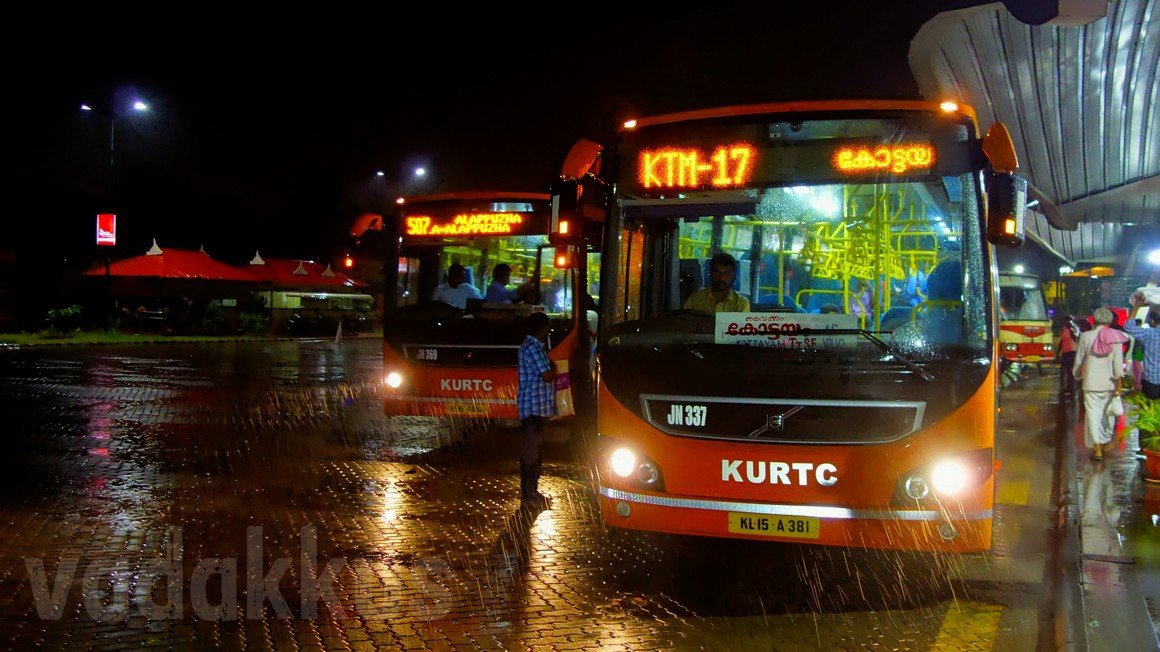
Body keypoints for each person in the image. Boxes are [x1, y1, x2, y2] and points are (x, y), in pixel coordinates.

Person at [1073, 307, 1126, 460]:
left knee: (1092, 415)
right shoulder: (1115, 337)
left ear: (1094, 320)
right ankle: (1103, 443)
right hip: (1108, 383)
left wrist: (1076, 374)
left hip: (1090, 383)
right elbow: (1118, 363)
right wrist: (1119, 384)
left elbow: (1079, 360)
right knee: (1107, 416)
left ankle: (1097, 448)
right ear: (1110, 321)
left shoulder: (1085, 336)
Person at [517, 311, 555, 506]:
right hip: (533, 408)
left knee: (534, 451)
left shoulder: (532, 346)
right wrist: (556, 369)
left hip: (535, 407)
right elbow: (546, 375)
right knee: (531, 453)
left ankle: (532, 492)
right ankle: (529, 495)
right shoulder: (533, 348)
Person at [683, 252, 750, 313]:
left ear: (733, 275)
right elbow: (685, 323)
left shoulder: (741, 304)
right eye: (717, 273)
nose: (721, 278)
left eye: (726, 273)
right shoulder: (695, 299)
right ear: (710, 272)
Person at [1124, 294, 1160, 400]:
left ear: (1152, 321)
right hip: (1151, 381)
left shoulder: (1149, 333)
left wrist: (1137, 305)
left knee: (1149, 413)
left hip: (1151, 381)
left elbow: (1128, 326)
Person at [1058, 315, 1080, 400]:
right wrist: (1058, 354)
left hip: (1072, 353)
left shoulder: (1074, 329)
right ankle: (1066, 387)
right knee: (1064, 371)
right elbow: (1061, 341)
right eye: (1065, 320)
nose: (1066, 322)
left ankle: (1071, 388)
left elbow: (1076, 337)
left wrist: (1072, 327)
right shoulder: (1064, 329)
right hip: (1065, 353)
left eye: (1068, 320)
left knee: (1071, 371)